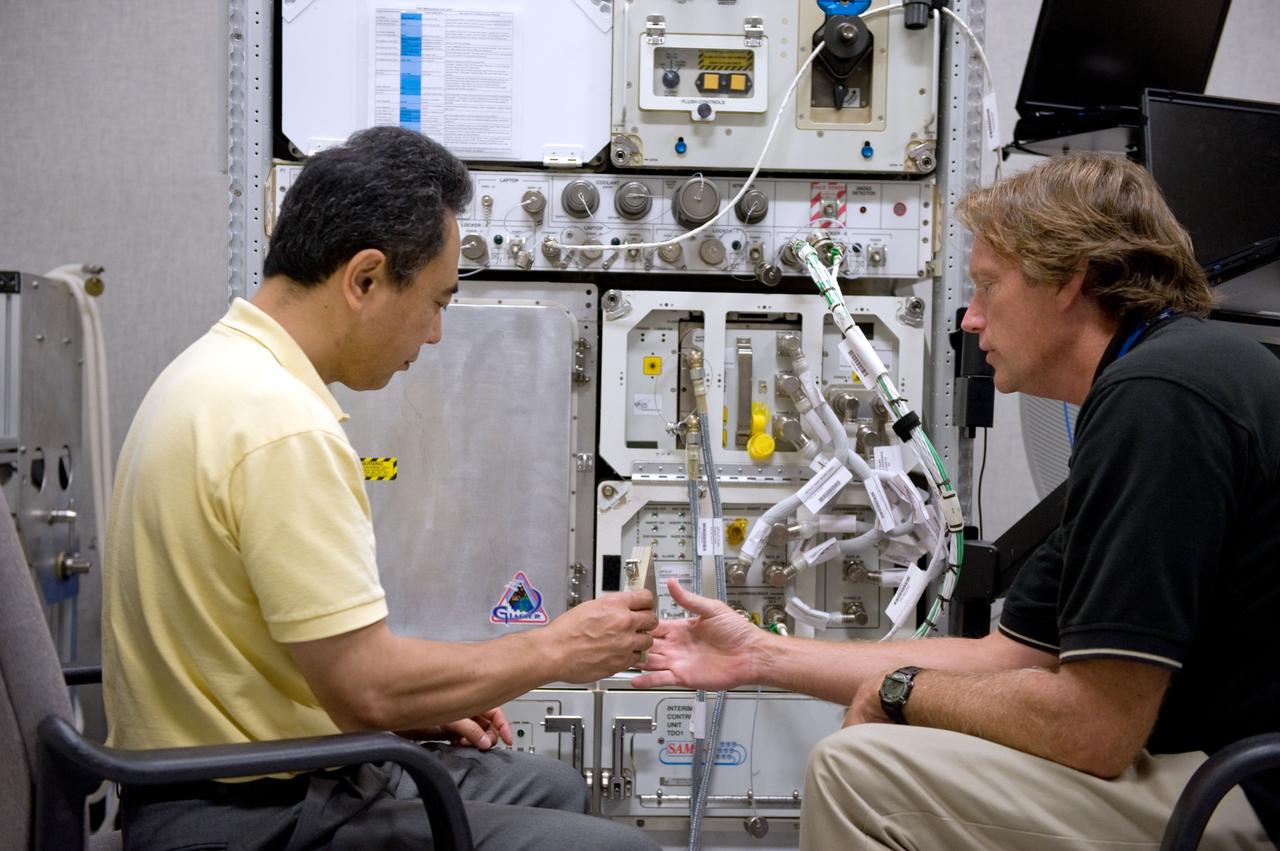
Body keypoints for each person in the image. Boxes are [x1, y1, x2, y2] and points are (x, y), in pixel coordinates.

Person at [634, 152, 1280, 849]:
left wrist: (902, 691)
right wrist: (761, 654)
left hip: (1248, 788)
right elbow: (1013, 659)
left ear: (1071, 279)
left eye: (987, 286)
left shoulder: (1160, 400)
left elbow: (1095, 729)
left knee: (859, 771)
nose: (970, 318)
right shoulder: (1170, 377)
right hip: (1217, 762)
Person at [103, 126, 660, 851]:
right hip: (255, 814)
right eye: (435, 301)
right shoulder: (282, 426)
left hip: (229, 772)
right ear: (364, 279)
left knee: (553, 786)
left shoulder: (212, 371)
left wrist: (412, 704)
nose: (432, 335)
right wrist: (558, 648)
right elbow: (366, 685)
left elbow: (286, 661)